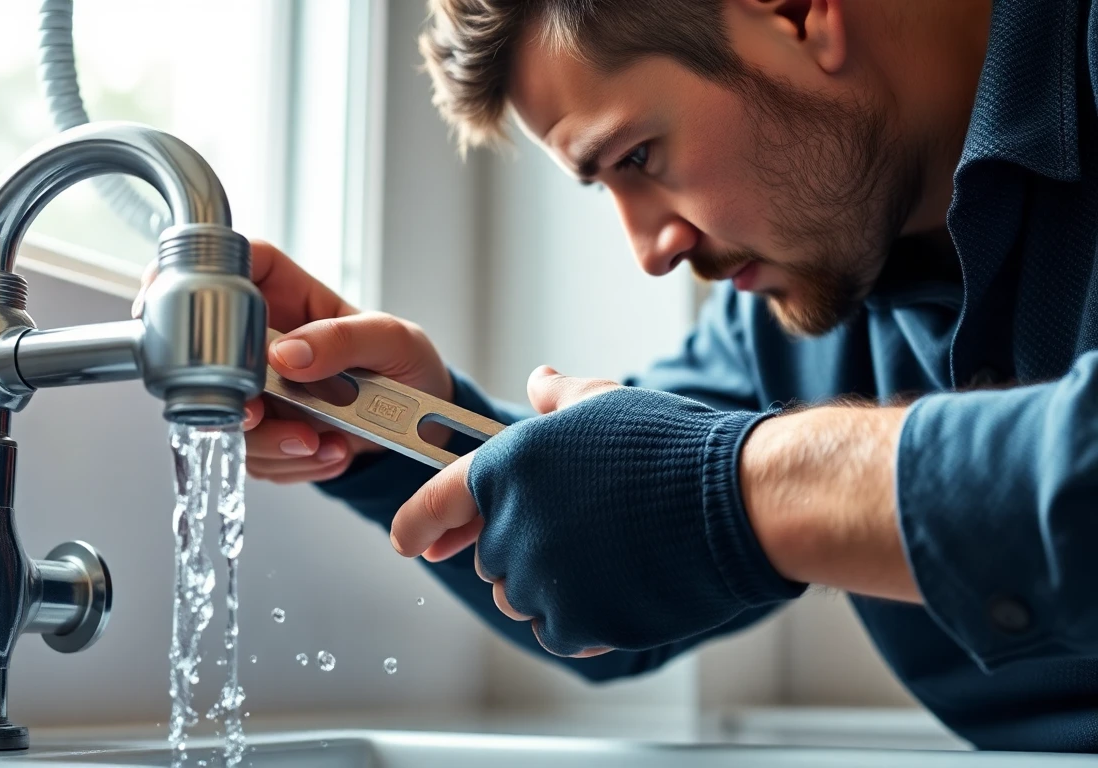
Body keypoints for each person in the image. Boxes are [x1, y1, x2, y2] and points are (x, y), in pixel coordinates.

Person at [137, 0, 1098, 752]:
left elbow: (712, 486)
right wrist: (399, 426)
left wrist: (751, 488)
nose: (651, 250)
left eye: (640, 156)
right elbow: (623, 583)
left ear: (798, 9)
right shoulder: (797, 297)